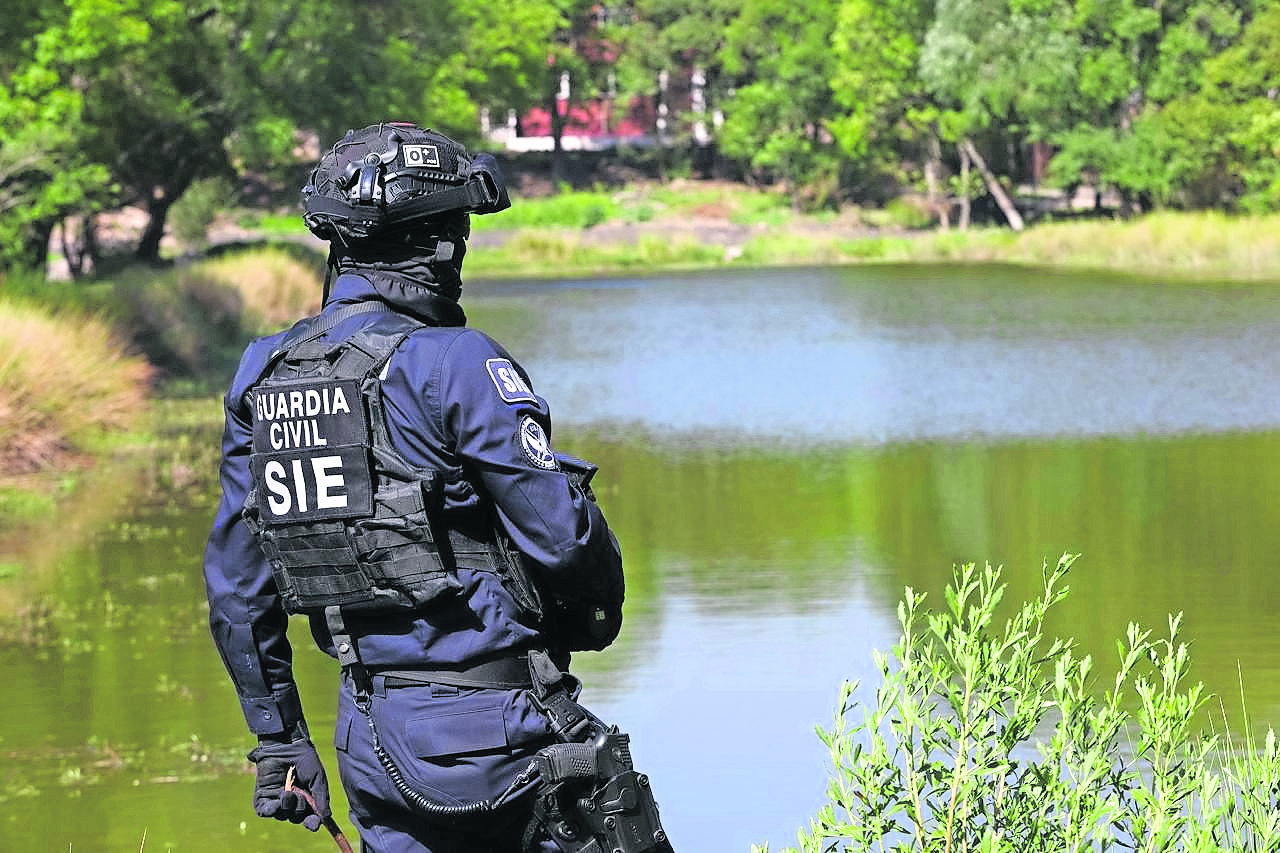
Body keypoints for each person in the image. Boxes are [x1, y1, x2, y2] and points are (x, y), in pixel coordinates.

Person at [203, 122, 669, 853]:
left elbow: (238, 587)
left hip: (370, 738)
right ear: (438, 243)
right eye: (457, 230)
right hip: (499, 736)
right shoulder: (455, 362)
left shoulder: (265, 375)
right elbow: (566, 544)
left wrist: (279, 738)